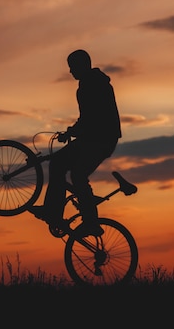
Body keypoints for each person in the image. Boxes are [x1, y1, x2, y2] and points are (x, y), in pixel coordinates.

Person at [29, 49, 122, 236]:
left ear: (81, 65)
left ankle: (89, 222)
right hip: (96, 138)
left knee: (77, 174)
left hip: (100, 140)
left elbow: (93, 118)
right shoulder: (90, 84)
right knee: (59, 164)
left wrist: (73, 131)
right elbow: (88, 118)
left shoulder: (91, 85)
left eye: (72, 67)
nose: (70, 71)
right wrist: (72, 132)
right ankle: (55, 211)